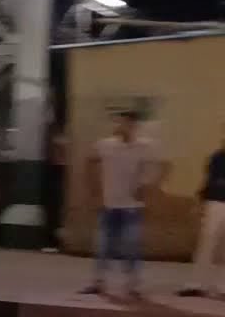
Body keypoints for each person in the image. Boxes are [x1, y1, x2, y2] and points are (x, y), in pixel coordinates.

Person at [80, 110, 166, 299]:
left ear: (134, 126)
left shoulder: (144, 146)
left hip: (132, 206)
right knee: (103, 245)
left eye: (126, 123)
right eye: (120, 123)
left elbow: (162, 166)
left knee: (131, 245)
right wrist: (93, 191)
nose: (122, 126)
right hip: (109, 204)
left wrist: (147, 185)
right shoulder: (106, 145)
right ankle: (97, 282)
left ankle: (133, 284)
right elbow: (89, 161)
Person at [177, 132, 225, 298]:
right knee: (207, 243)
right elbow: (209, 181)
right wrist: (199, 202)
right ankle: (196, 284)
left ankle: (222, 287)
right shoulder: (217, 157)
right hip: (215, 203)